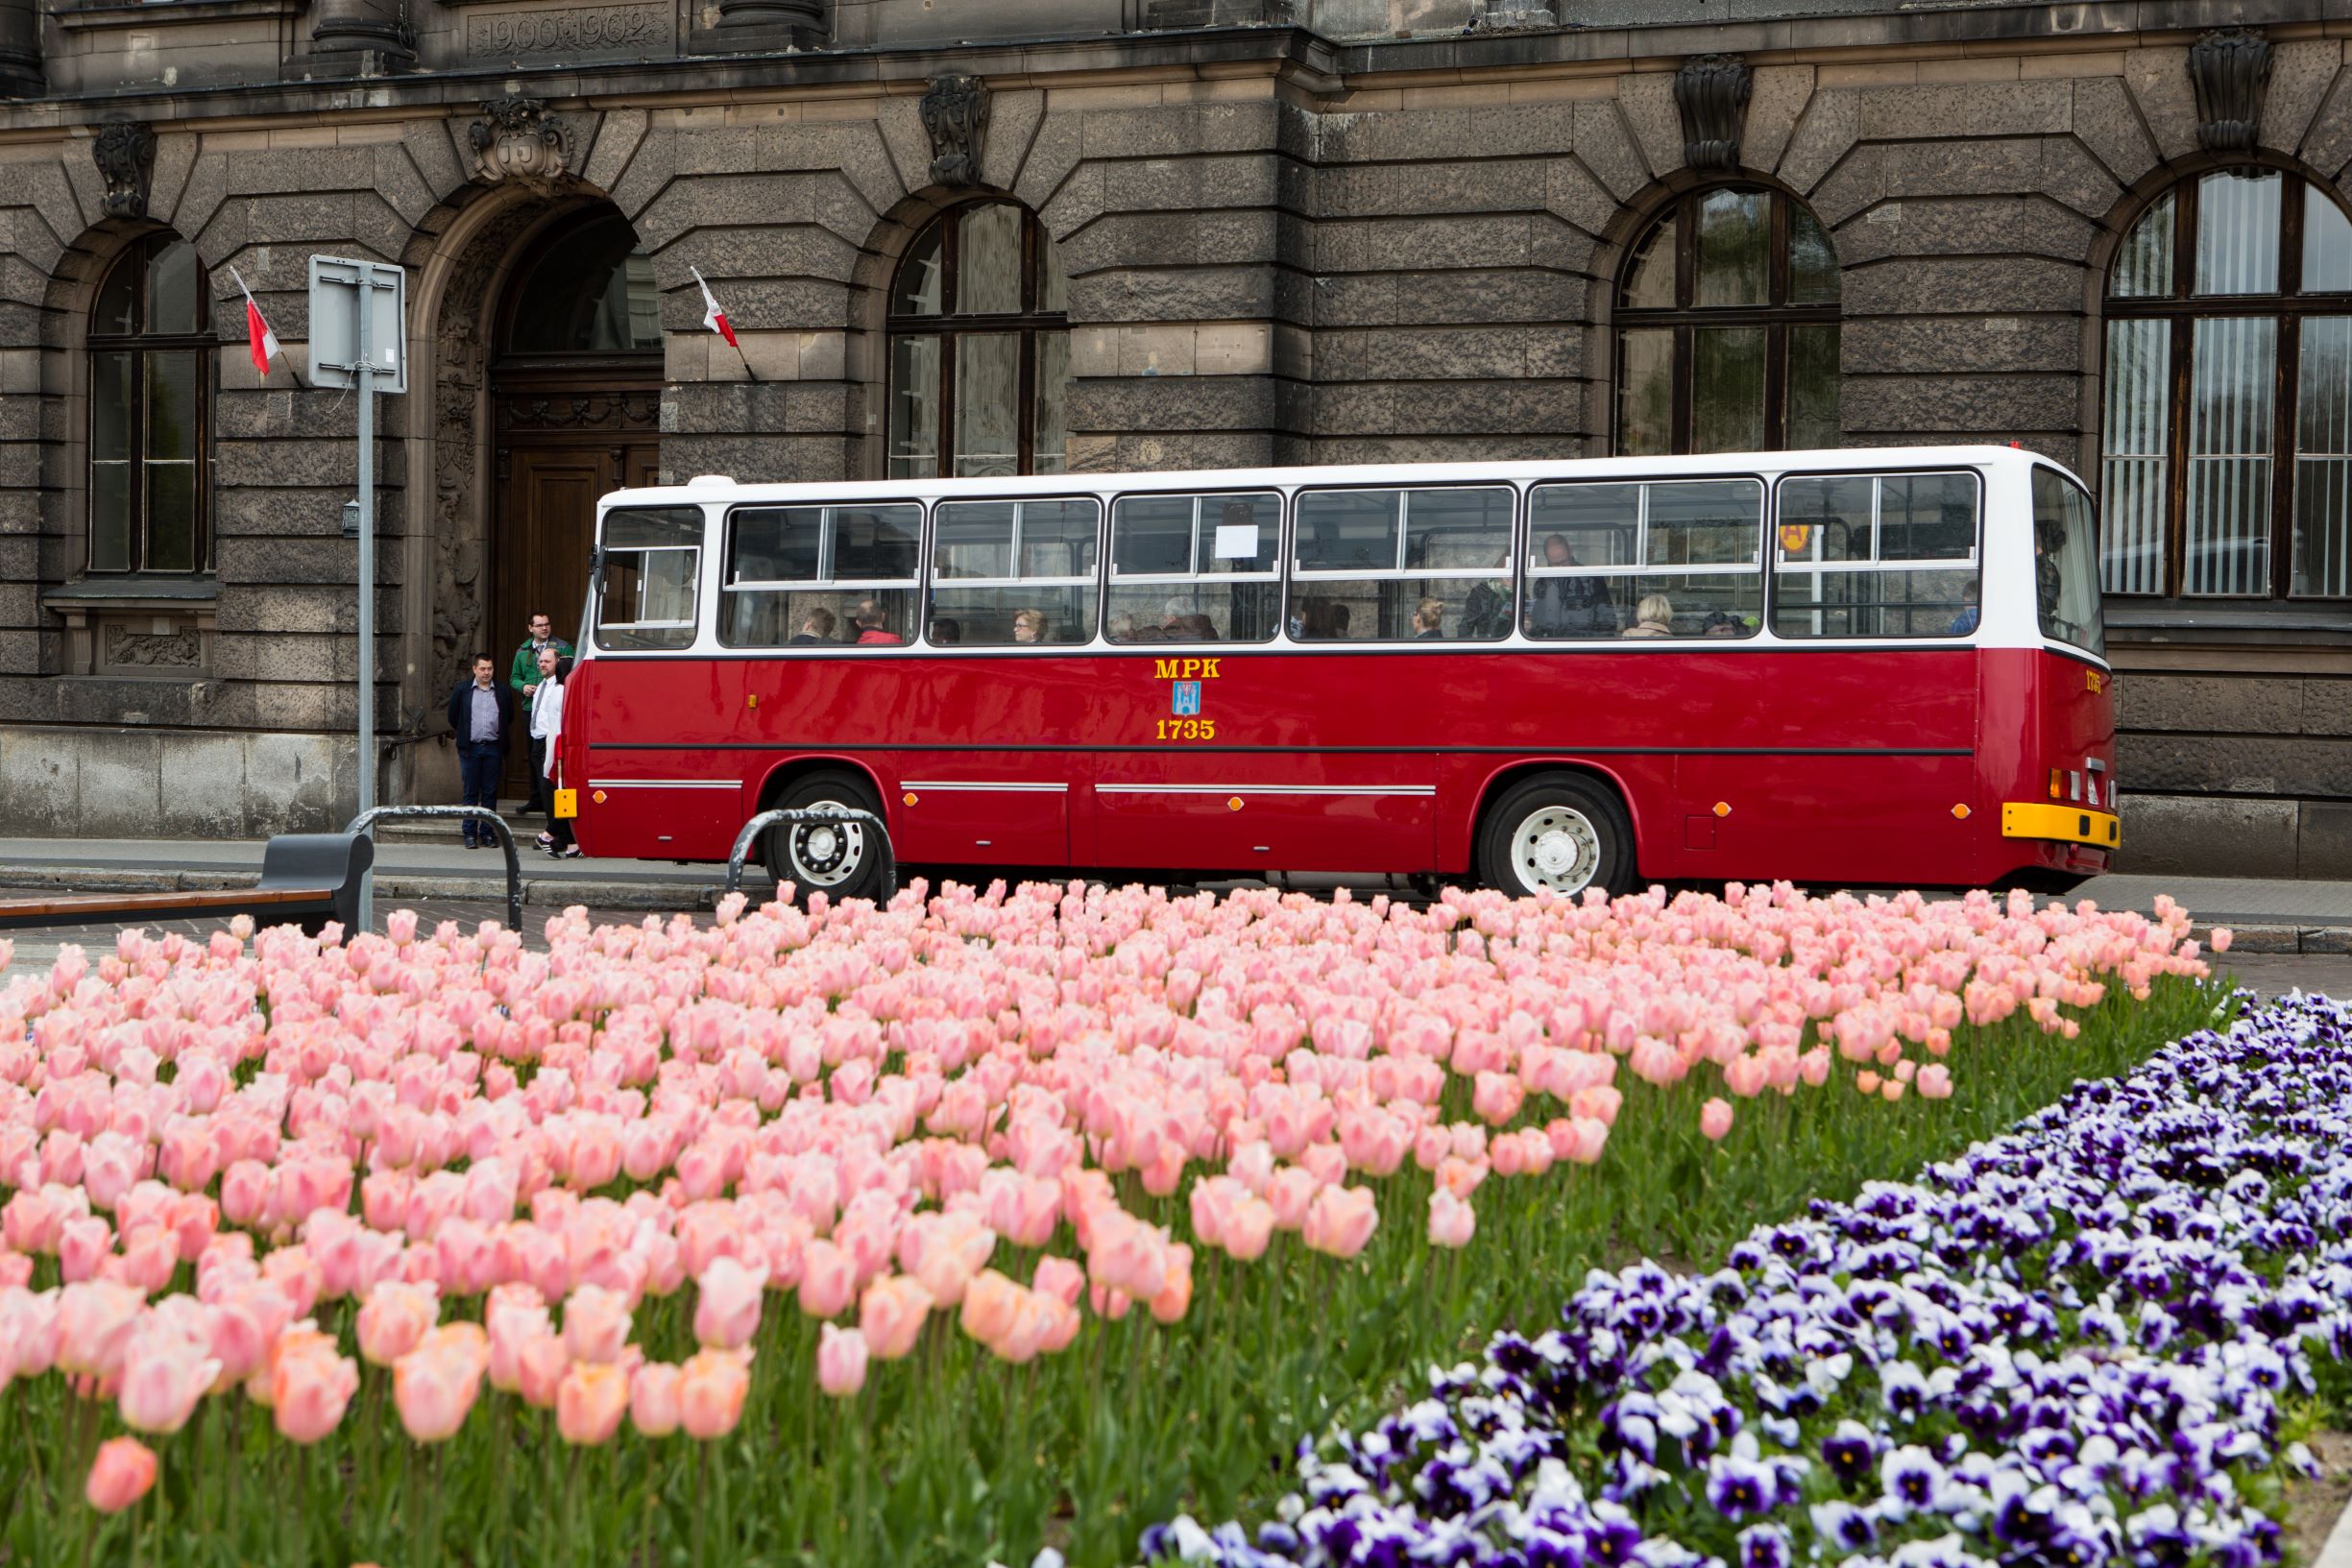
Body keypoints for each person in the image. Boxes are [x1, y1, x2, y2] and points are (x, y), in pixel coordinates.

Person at [446, 653, 513, 849]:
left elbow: (508, 717)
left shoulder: (501, 691)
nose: (486, 673)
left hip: (493, 748)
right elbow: (453, 717)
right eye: (482, 669)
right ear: (474, 669)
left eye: (489, 669)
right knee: (470, 792)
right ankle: (469, 833)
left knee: (490, 792)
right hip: (470, 749)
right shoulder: (463, 690)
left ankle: (488, 832)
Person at [508, 612, 572, 816]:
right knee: (534, 756)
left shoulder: (562, 648)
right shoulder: (523, 651)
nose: (544, 628)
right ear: (530, 628)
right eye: (539, 625)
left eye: (547, 624)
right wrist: (523, 686)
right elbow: (514, 678)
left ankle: (554, 809)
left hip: (554, 712)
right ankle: (536, 798)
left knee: (552, 759)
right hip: (531, 709)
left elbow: (572, 674)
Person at [535, 656, 582, 859]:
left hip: (555, 745)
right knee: (568, 798)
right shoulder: (566, 691)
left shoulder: (555, 690)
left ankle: (572, 845)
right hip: (562, 750)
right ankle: (547, 835)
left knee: (567, 797)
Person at [1527, 534, 1619, 638]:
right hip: (1551, 646)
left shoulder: (1591, 579)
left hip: (1584, 645)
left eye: (1564, 562)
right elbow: (1537, 622)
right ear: (1547, 559)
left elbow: (1607, 619)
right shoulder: (1542, 583)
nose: (1561, 568)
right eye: (1555, 564)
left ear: (1570, 551)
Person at [525, 644, 563, 817]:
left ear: (557, 663)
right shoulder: (541, 686)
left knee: (550, 788)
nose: (542, 664)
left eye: (547, 661)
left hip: (550, 742)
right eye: (540, 661)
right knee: (542, 787)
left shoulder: (560, 687)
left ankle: (553, 832)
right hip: (537, 741)